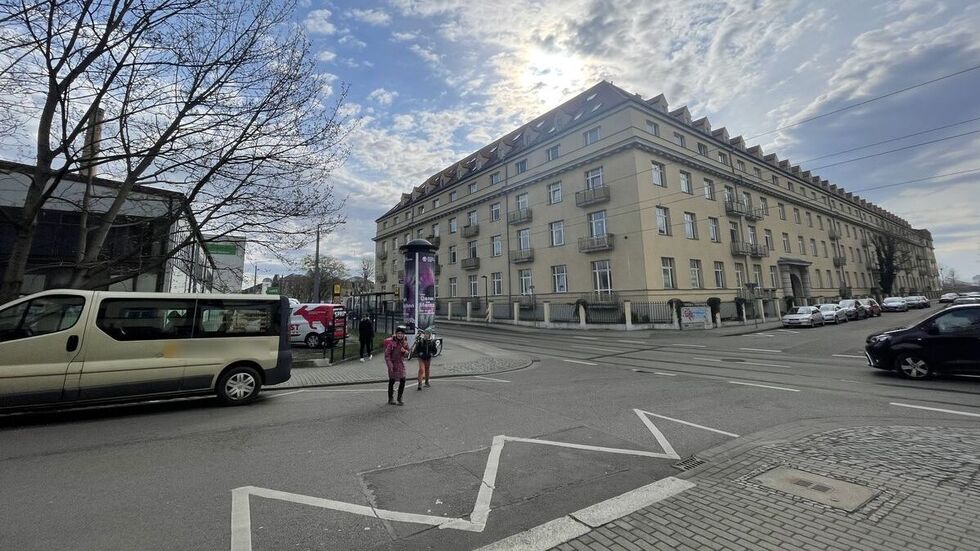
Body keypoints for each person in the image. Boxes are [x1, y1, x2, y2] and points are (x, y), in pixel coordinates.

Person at [383, 327, 410, 405]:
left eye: (401, 334)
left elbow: (408, 353)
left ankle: (399, 397)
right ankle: (390, 398)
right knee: (392, 381)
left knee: (403, 380)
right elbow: (387, 355)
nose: (400, 335)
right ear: (396, 334)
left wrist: (405, 351)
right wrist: (390, 365)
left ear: (403, 335)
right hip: (393, 365)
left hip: (401, 364)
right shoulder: (391, 343)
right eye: (398, 333)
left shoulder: (405, 343)